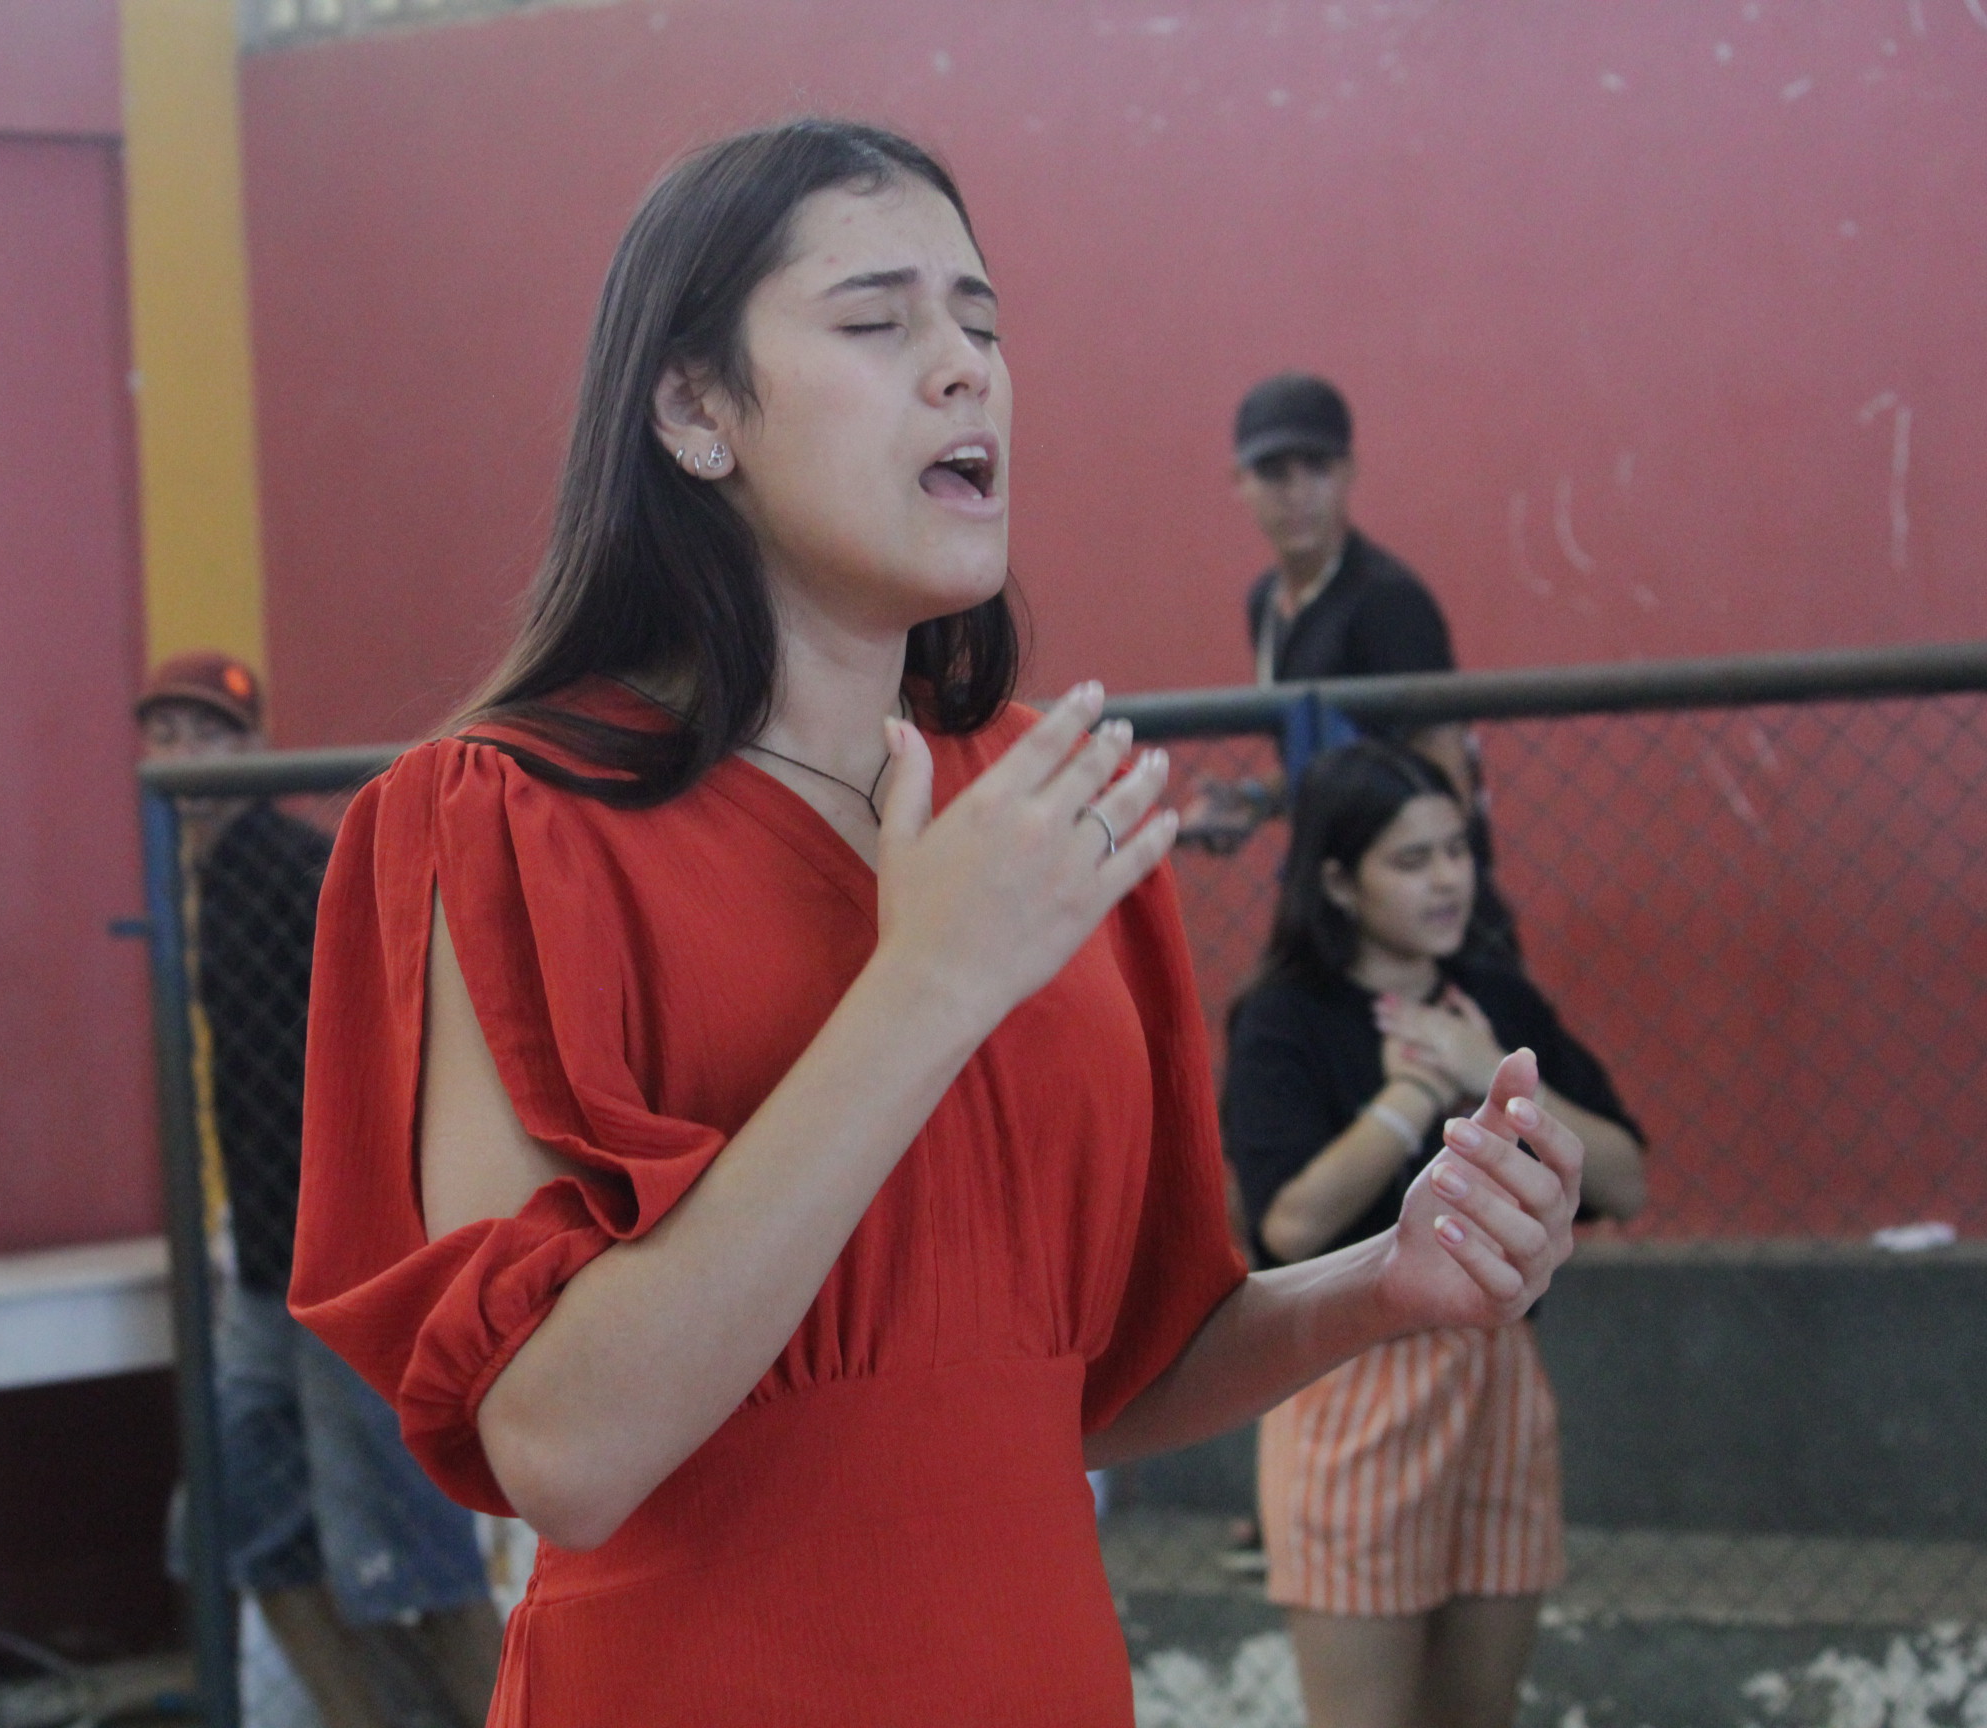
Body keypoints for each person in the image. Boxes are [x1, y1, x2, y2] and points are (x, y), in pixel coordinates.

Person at [286, 119, 1589, 1727]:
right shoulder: (503, 817)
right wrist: (929, 984)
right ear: (694, 409)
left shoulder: (1043, 808)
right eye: (877, 320)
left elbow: (1094, 1379)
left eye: (983, 321)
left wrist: (1388, 1283)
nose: (968, 367)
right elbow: (564, 1446)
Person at [1221, 741, 1649, 1728]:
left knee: (1479, 1708)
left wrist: (1483, 1062)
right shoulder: (1286, 1017)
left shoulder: (1493, 1000)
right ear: (1339, 880)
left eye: (1457, 850)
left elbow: (1625, 1178)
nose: (1448, 879)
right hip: (1352, 1376)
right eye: (1411, 860)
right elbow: (1291, 1222)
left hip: (1498, 1372)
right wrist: (1412, 1094)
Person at [138, 651, 501, 1728]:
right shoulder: (206, 883)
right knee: (246, 1525)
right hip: (268, 1264)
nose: (189, 756)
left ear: (254, 751)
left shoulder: (292, 873)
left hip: (346, 1267)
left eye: (211, 736)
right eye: (170, 734)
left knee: (407, 1557)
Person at [1182, 374, 1472, 850]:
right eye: (1274, 473)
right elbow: (1331, 762)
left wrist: (1404, 875)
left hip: (1398, 883)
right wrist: (1253, 800)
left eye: (1316, 468)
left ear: (1349, 472)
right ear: (1240, 481)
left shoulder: (1388, 601)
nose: (1297, 493)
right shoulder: (1266, 602)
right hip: (1326, 872)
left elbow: (1444, 774)